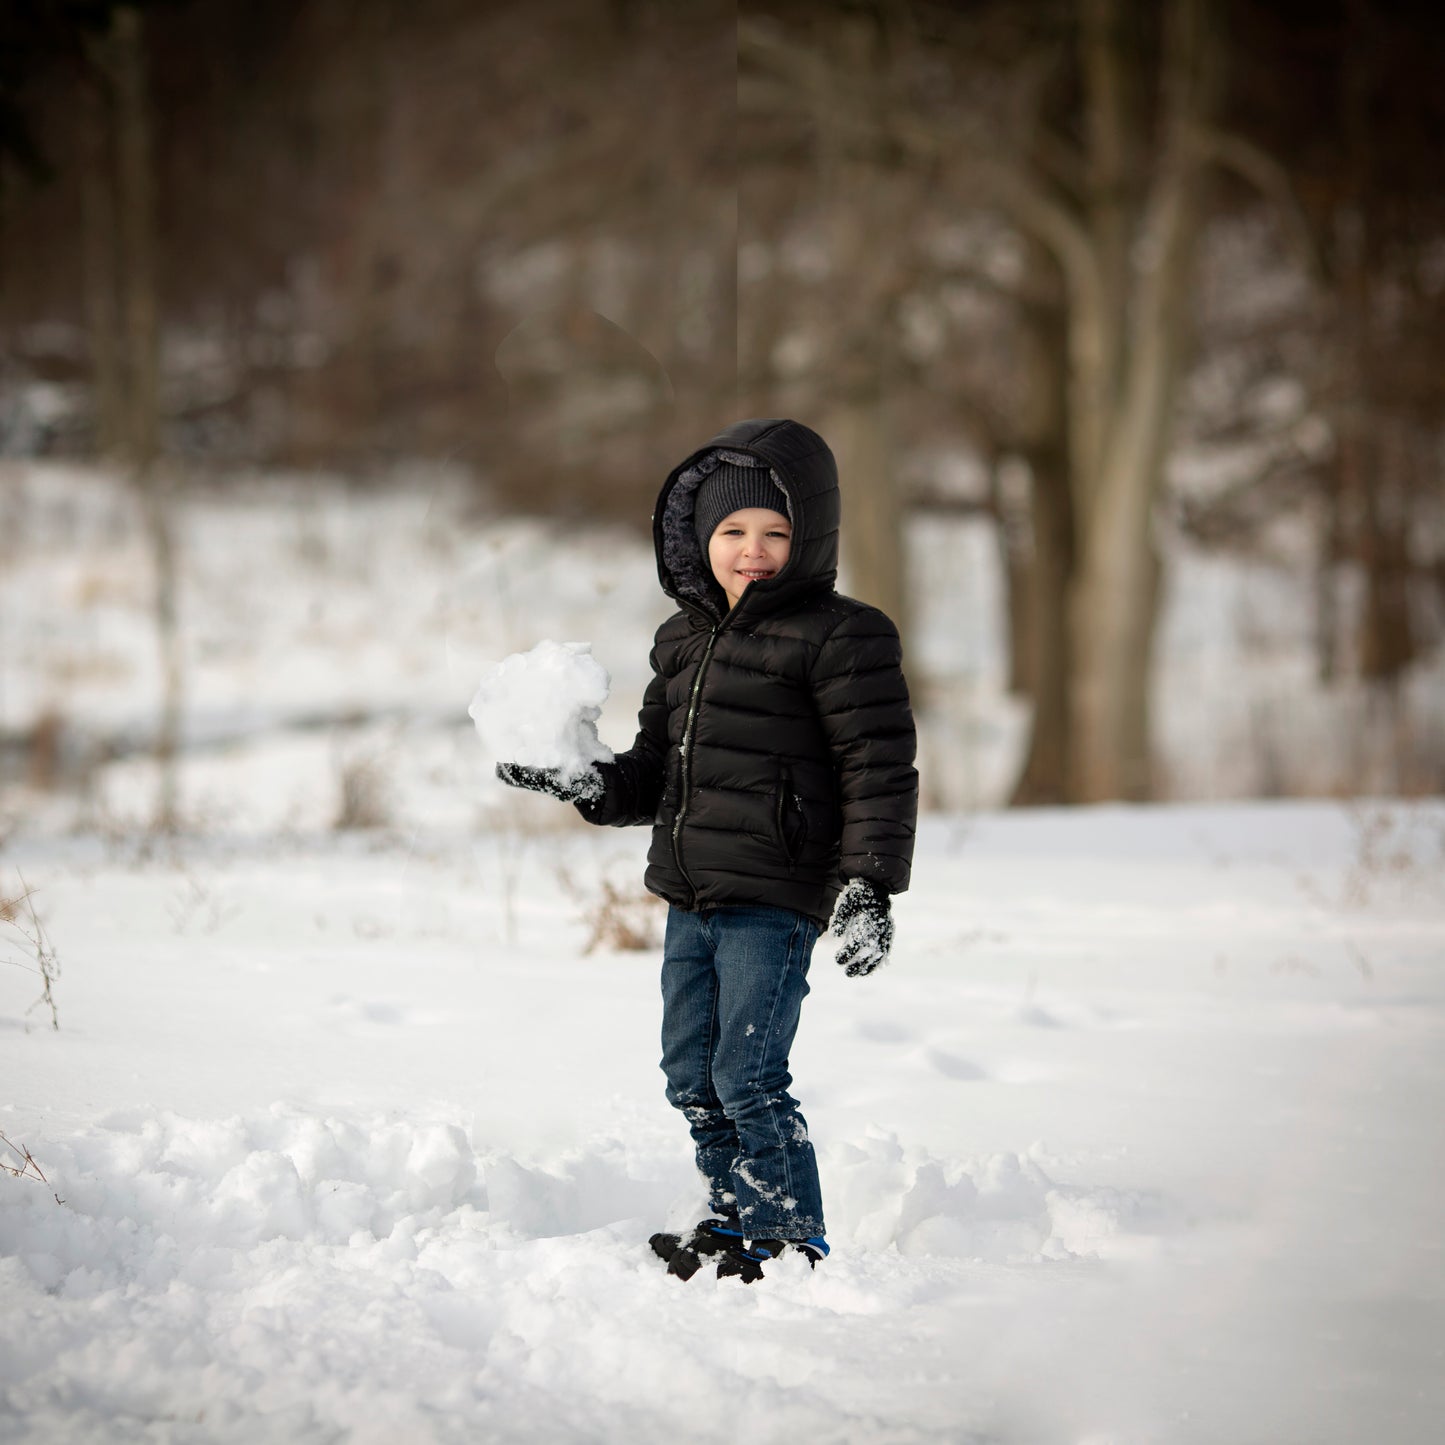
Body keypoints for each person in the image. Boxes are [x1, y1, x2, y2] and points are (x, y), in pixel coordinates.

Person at [497, 417, 918, 1282]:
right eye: (732, 531)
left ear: (811, 538)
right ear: (697, 536)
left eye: (775, 532)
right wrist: (583, 781)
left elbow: (878, 765)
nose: (752, 551)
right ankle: (728, 1217)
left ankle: (787, 1234)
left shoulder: (843, 636)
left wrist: (869, 883)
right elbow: (652, 773)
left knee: (749, 1073)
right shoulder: (682, 639)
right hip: (691, 891)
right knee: (690, 1071)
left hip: (777, 889)